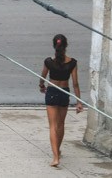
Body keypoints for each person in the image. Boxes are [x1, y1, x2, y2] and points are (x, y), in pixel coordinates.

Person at [39, 34, 84, 168]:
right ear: (66, 46)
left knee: (52, 126)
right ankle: (57, 149)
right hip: (64, 93)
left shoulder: (48, 61)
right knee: (60, 124)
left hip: (52, 93)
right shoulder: (72, 62)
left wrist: (41, 86)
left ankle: (55, 157)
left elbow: (43, 77)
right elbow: (75, 83)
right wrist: (79, 102)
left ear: (54, 46)